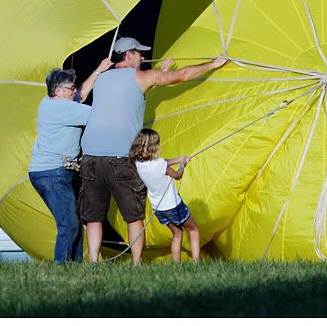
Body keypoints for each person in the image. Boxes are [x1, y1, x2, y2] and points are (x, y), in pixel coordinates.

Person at [79, 36, 227, 264]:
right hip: (120, 156)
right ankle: (137, 263)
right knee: (133, 215)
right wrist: (212, 64)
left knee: (94, 216)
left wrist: (153, 74)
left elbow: (87, 96)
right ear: (129, 55)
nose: (143, 56)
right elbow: (182, 76)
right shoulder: (142, 76)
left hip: (90, 155)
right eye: (139, 53)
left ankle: (93, 263)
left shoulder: (101, 78)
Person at [28, 58, 113, 263]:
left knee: (73, 222)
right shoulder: (62, 109)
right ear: (58, 91)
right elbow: (98, 114)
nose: (74, 91)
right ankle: (62, 267)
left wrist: (98, 70)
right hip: (53, 174)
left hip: (53, 172)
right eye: (71, 88)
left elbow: (81, 95)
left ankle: (73, 266)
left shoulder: (48, 103)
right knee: (69, 224)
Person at [130, 128, 200, 262]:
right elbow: (177, 176)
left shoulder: (139, 163)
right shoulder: (159, 164)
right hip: (173, 205)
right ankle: (197, 262)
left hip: (158, 209)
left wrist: (179, 159)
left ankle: (176, 264)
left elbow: (162, 163)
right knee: (193, 230)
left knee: (177, 233)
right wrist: (182, 165)